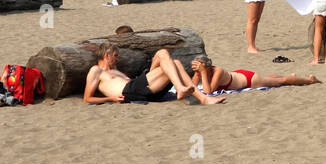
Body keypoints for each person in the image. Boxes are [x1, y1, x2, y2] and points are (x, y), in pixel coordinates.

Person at [84, 43, 226, 105]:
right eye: (115, 55)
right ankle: (187, 92)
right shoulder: (96, 70)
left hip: (140, 87)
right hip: (131, 91)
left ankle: (200, 97)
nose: (117, 59)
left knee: (171, 59)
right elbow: (87, 98)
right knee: (165, 54)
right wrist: (110, 99)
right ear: (107, 55)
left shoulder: (114, 70)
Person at [190, 57, 320, 92]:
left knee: (282, 81)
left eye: (200, 67)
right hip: (239, 74)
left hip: (250, 80)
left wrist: (202, 72)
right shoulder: (202, 72)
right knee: (268, 78)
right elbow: (191, 87)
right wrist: (197, 74)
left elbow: (208, 90)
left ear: (206, 67)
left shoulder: (217, 71)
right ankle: (292, 76)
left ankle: (310, 80)